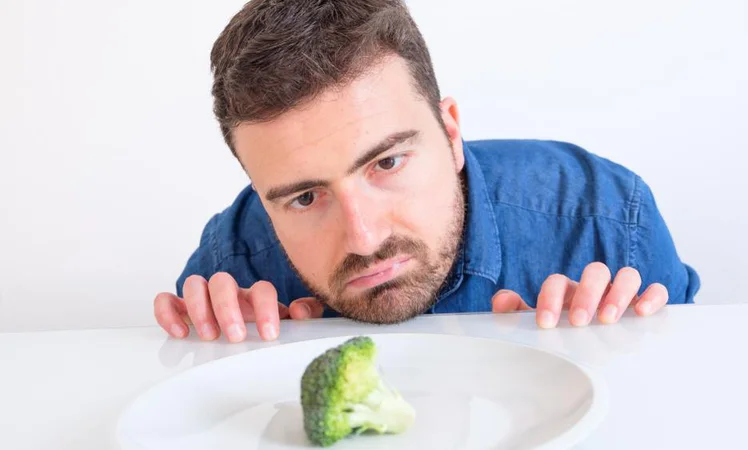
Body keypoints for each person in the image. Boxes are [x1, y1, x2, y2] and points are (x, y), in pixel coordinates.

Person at [153, 0, 700, 343]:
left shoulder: (606, 217)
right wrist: (223, 358)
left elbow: (688, 403)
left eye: (386, 162)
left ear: (451, 132)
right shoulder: (235, 262)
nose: (363, 237)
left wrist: (616, 352)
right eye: (304, 198)